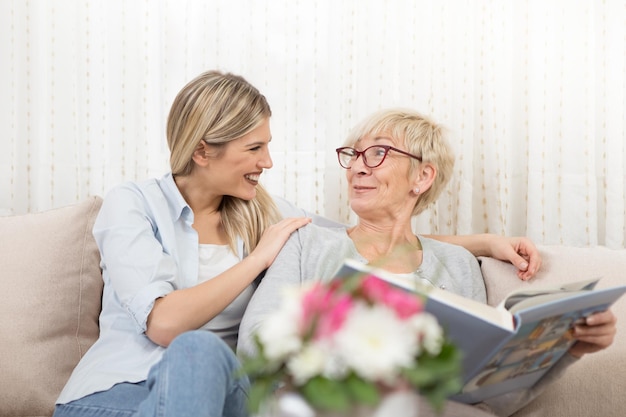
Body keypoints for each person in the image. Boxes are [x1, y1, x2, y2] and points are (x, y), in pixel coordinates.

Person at [53, 70, 547, 417]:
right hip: (118, 398)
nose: (268, 161)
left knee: (213, 362)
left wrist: (482, 242)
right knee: (196, 350)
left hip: (222, 397)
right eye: (254, 148)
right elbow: (163, 324)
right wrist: (259, 259)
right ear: (204, 150)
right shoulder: (132, 204)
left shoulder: (268, 212)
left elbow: (365, 237)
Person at [237, 108, 617, 417]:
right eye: (353, 154)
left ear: (422, 176)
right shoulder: (308, 242)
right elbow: (254, 344)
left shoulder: (458, 265)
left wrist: (568, 349)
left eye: (377, 153)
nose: (357, 167)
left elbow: (488, 398)